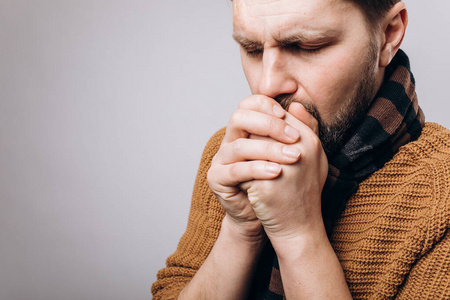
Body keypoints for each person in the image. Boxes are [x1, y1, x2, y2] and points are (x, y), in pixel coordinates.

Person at [152, 0, 450, 298]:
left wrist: (298, 235)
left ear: (388, 34)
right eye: (252, 49)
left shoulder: (441, 196)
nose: (267, 86)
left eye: (307, 46)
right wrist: (240, 230)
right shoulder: (234, 155)